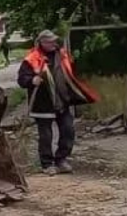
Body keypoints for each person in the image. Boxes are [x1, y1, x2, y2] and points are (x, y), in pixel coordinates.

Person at [16, 30, 99, 176]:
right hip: (43, 103)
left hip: (62, 100)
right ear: (41, 42)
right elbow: (22, 79)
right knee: (46, 135)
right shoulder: (32, 58)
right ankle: (47, 164)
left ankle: (61, 160)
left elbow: (71, 72)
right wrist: (32, 80)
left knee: (68, 130)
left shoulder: (62, 54)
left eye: (54, 41)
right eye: (50, 42)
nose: (53, 44)